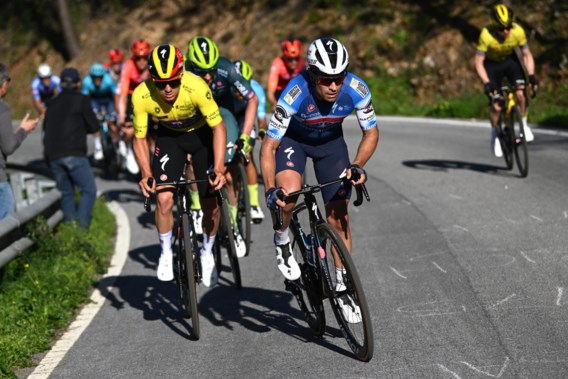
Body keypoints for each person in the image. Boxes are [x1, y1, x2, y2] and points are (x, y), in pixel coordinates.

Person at [260, 38, 379, 322]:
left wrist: (358, 165)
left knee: (339, 215)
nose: (334, 86)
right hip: (294, 142)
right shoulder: (294, 93)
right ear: (313, 75)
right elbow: (268, 147)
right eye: (326, 80)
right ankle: (282, 237)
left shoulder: (357, 89)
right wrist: (269, 190)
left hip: (331, 145)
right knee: (288, 196)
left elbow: (371, 132)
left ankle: (342, 285)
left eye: (339, 77)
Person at [132, 44, 227, 286]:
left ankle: (207, 252)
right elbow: (139, 138)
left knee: (211, 205)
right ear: (152, 79)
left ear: (181, 74)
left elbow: (218, 127)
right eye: (161, 83)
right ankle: (166, 252)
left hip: (200, 138)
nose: (167, 89)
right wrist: (145, 173)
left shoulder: (196, 86)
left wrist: (218, 167)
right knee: (163, 199)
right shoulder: (141, 95)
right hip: (169, 139)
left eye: (173, 82)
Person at [184, 36, 259, 256]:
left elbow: (252, 99)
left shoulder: (226, 69)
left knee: (229, 169)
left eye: (211, 71)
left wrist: (245, 136)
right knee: (192, 158)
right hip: (195, 116)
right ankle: (197, 208)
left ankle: (232, 224)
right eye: (201, 71)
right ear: (191, 66)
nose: (207, 76)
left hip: (223, 115)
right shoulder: (184, 74)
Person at [474, 2, 538, 158]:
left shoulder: (517, 31)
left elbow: (527, 54)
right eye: (501, 29)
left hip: (509, 63)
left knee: (521, 94)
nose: (506, 31)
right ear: (495, 28)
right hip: (491, 66)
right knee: (496, 106)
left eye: (509, 27)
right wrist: (487, 83)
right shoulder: (486, 35)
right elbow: (478, 62)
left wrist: (531, 75)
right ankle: (495, 132)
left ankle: (523, 124)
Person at [42, 67, 100, 229]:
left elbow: (46, 129)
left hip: (52, 155)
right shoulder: (81, 99)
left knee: (66, 193)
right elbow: (93, 126)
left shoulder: (51, 103)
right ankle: (81, 231)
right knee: (88, 190)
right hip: (74, 153)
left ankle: (71, 230)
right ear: (78, 83)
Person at [0, 64, 39, 219]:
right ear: (3, 83)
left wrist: (16, 131)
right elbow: (8, 147)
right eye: (7, 81)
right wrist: (24, 131)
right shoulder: (2, 109)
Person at [233, 59, 266, 224]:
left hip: (246, 118)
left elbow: (261, 119)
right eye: (237, 88)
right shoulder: (224, 88)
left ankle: (253, 203)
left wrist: (261, 131)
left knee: (247, 155)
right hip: (229, 116)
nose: (241, 92)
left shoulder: (256, 89)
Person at [116, 39, 152, 174]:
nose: (141, 62)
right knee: (130, 128)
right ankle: (131, 149)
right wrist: (122, 116)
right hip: (132, 97)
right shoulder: (128, 66)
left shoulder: (151, 65)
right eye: (138, 58)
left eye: (144, 58)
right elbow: (123, 95)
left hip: (149, 96)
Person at [82, 62, 118, 161]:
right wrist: (88, 113)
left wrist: (117, 110)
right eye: (94, 77)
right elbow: (85, 99)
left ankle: (117, 142)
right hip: (95, 99)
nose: (97, 80)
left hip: (108, 99)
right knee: (95, 121)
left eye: (99, 77)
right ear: (91, 77)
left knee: (112, 121)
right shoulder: (86, 82)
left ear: (103, 76)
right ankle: (98, 145)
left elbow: (116, 95)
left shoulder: (108, 80)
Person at [267, 39, 307, 112]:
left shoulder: (303, 63)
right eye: (290, 59)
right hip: (280, 93)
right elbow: (270, 91)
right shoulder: (277, 64)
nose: (293, 62)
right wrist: (274, 103)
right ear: (284, 57)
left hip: (296, 92)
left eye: (296, 59)